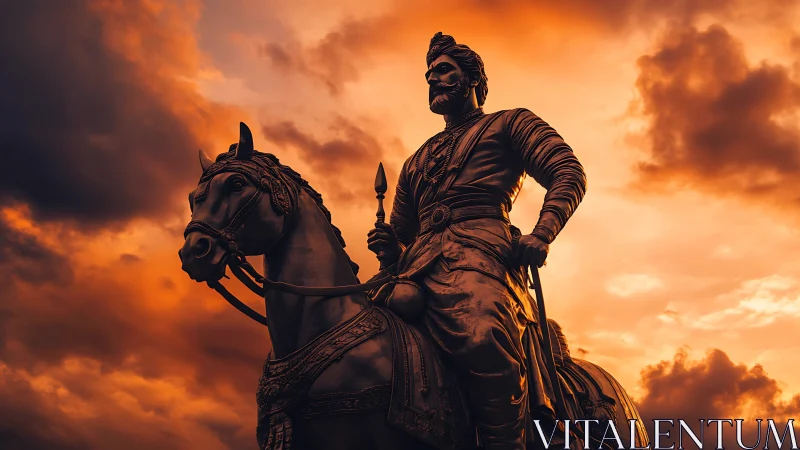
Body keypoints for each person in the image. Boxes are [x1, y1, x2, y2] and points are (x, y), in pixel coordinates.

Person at [367, 32, 587, 449]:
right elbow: (401, 233)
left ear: (472, 79)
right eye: (429, 75)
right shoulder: (416, 159)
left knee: (483, 334)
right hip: (417, 267)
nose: (433, 80)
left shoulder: (510, 123)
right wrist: (389, 246)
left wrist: (542, 233)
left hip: (482, 253)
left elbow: (567, 171)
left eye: (444, 70)